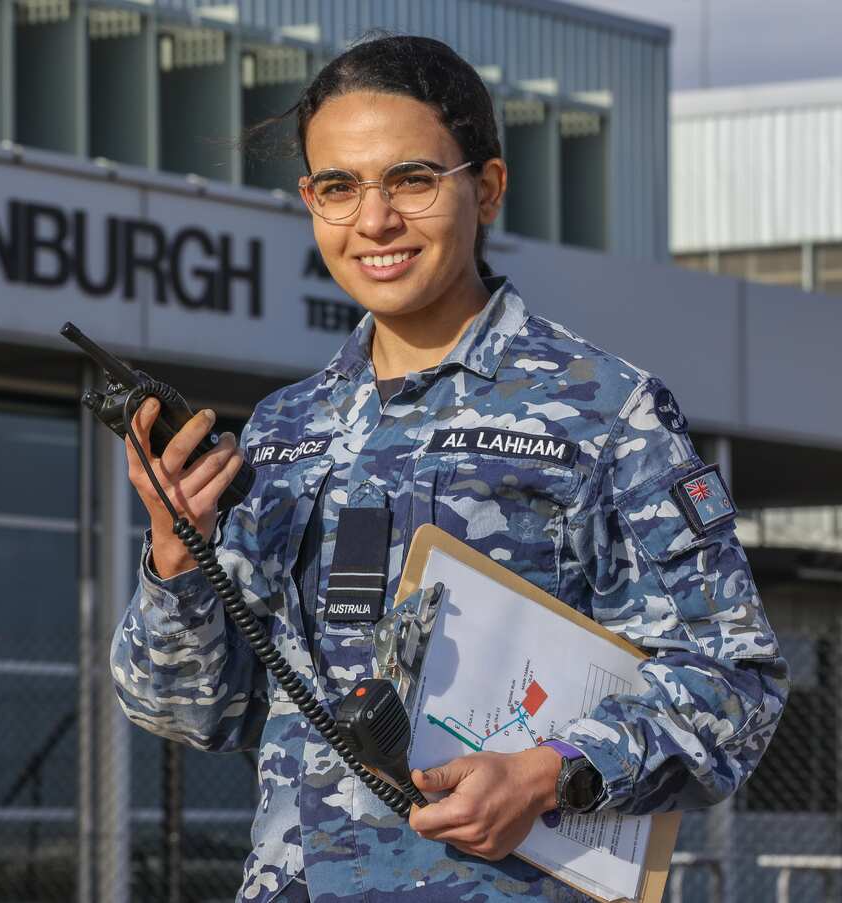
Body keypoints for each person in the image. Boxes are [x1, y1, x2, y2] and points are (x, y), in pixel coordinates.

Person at [110, 34, 787, 903]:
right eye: (338, 188)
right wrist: (178, 559)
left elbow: (736, 680)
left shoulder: (606, 415)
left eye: (413, 180)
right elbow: (191, 708)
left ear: (489, 188)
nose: (375, 221)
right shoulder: (284, 430)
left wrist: (553, 773)